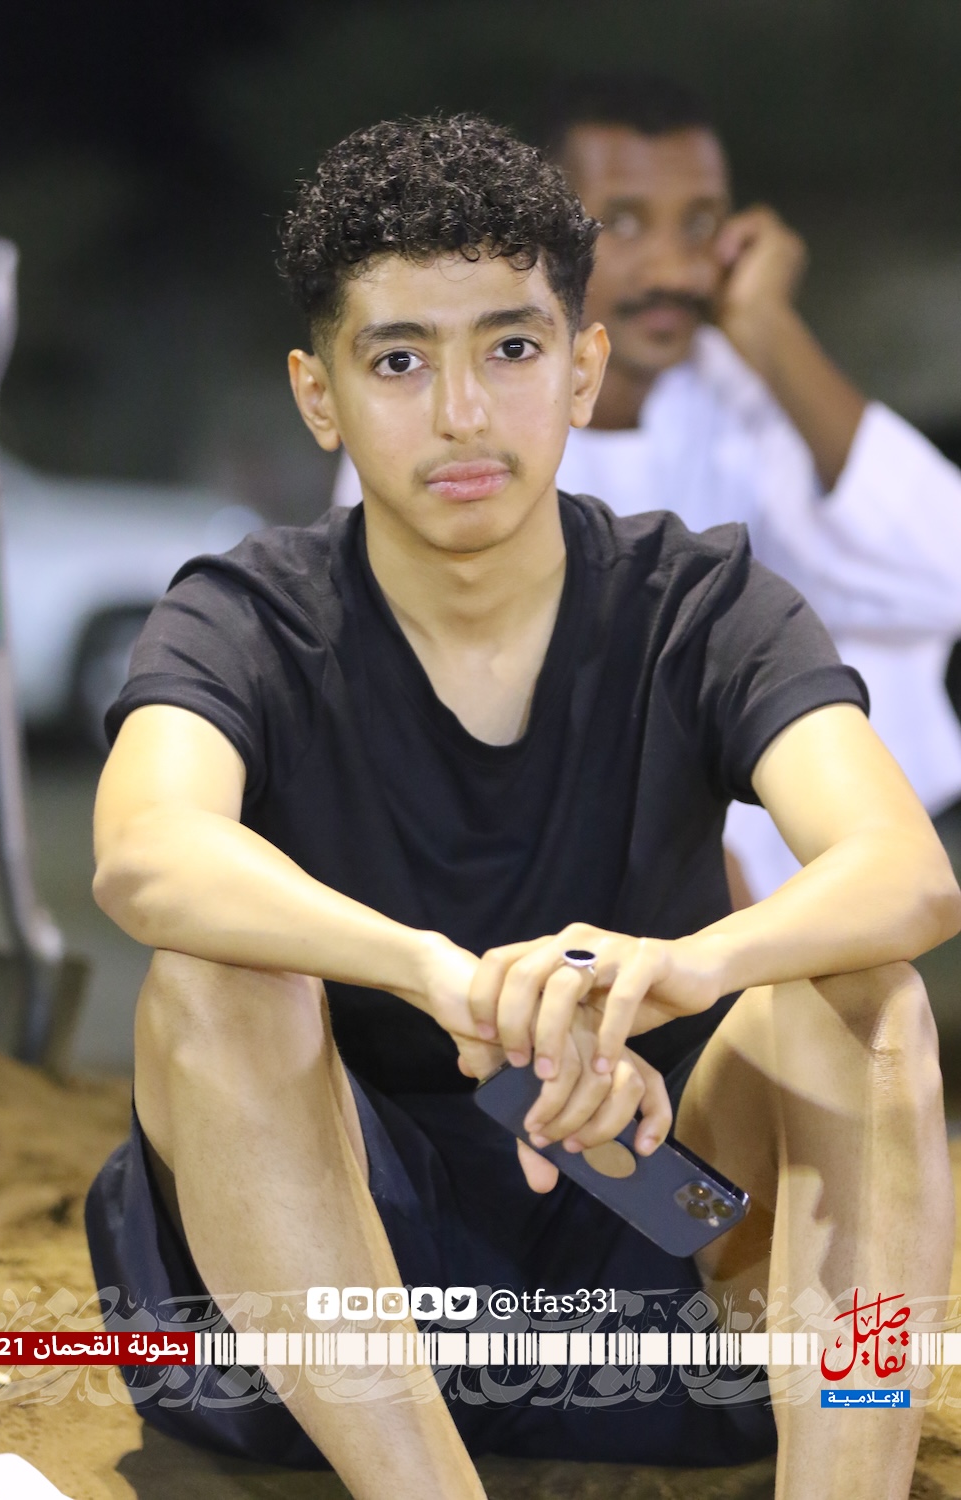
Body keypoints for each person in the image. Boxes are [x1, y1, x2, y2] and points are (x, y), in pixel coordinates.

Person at [85, 115, 958, 1500]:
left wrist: (677, 973)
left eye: (509, 348)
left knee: (870, 999)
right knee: (215, 981)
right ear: (319, 396)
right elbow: (145, 852)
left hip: (654, 1240)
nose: (462, 414)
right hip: (322, 1304)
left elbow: (904, 870)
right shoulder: (244, 616)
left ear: (581, 367)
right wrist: (433, 974)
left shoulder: (701, 604)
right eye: (398, 361)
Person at [330, 76, 961, 902]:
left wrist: (771, 328)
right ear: (532, 239)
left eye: (699, 225)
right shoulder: (452, 421)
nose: (672, 268)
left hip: (777, 850)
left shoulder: (733, 386)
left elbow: (944, 573)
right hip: (526, 870)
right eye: (622, 223)